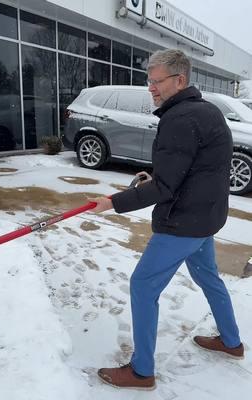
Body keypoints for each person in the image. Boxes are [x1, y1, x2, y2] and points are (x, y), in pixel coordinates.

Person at [88, 49, 244, 391]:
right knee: (209, 278)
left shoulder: (181, 118)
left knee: (143, 286)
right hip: (206, 216)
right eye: (150, 81)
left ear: (179, 80)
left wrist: (113, 202)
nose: (151, 89)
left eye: (156, 81)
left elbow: (166, 186)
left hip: (184, 222)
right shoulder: (207, 111)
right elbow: (199, 168)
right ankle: (231, 341)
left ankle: (142, 372)